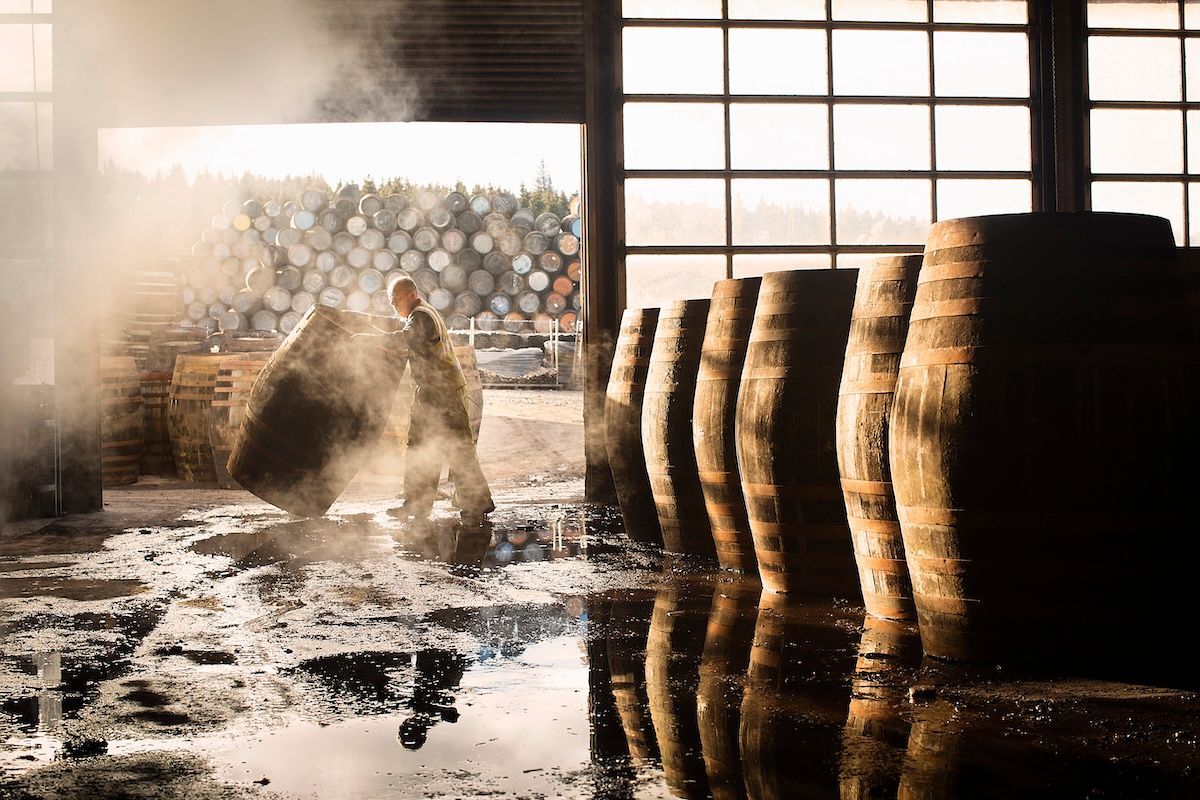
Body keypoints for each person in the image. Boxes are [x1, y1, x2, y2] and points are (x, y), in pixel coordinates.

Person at [382, 276, 494, 524]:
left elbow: (406, 338)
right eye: (391, 302)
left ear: (412, 294)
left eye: (396, 300)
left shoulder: (421, 316)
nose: (393, 305)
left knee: (458, 450)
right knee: (420, 449)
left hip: (444, 395)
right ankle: (416, 504)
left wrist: (369, 339)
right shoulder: (421, 314)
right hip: (430, 394)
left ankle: (477, 503)